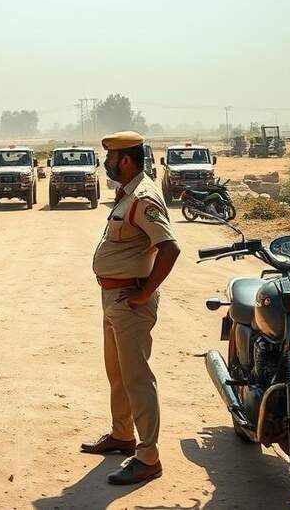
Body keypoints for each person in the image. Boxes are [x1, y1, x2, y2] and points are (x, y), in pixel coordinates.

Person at [81, 131, 181, 485]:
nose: (105, 164)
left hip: (130, 302)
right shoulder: (127, 194)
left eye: (109, 158)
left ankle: (149, 456)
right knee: (118, 373)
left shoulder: (143, 196)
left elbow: (169, 248)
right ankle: (123, 435)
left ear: (124, 160)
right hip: (114, 298)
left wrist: (144, 293)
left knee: (137, 377)